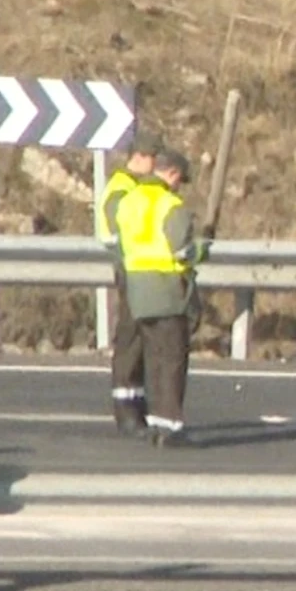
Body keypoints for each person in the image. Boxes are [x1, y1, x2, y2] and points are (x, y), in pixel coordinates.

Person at [113, 149, 206, 448]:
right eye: (180, 180)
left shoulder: (129, 202)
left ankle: (154, 422)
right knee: (171, 360)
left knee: (152, 360)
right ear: (173, 174)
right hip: (166, 289)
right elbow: (182, 251)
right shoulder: (170, 205)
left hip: (137, 289)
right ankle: (170, 427)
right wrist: (202, 249)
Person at [100, 134, 161, 435]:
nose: (154, 164)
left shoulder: (134, 187)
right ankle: (125, 408)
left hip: (139, 269)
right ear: (138, 157)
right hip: (130, 270)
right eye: (151, 157)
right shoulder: (122, 189)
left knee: (139, 338)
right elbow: (116, 234)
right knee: (129, 338)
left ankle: (136, 404)